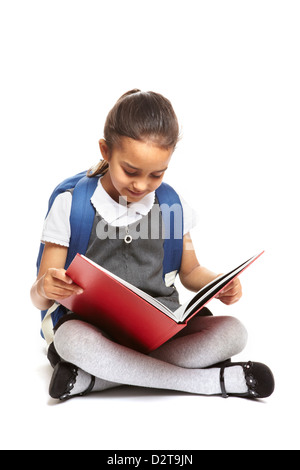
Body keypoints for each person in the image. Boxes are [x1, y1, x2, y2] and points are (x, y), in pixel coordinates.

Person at [30, 89, 275, 400]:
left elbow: (191, 271)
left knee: (233, 332)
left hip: (159, 328)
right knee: (71, 341)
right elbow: (39, 297)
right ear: (106, 151)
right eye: (130, 171)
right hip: (94, 329)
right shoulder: (72, 204)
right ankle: (211, 382)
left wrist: (218, 284)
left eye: (156, 174)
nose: (141, 185)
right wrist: (46, 288)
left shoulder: (171, 206)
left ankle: (94, 379)